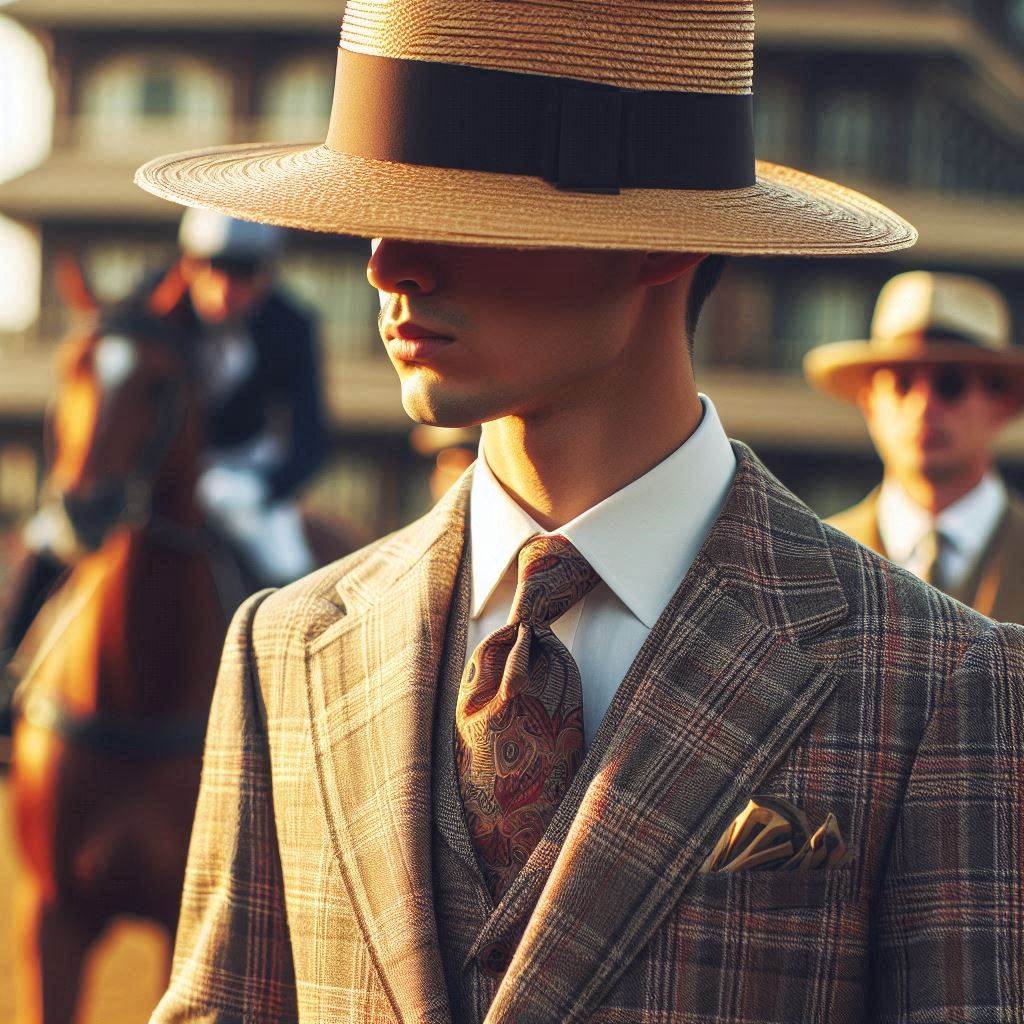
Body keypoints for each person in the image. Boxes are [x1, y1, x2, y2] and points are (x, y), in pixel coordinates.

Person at [136, 3, 1023, 1021]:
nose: (387, 265)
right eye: (377, 207)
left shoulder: (936, 682)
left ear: (658, 242)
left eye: (461, 201)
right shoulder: (285, 648)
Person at [805, 271, 1024, 619]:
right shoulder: (807, 565)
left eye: (950, 385)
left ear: (1003, 404)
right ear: (870, 404)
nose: (923, 407)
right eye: (902, 384)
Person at [150, 209, 329, 585]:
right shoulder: (153, 310)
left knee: (288, 565)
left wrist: (264, 488)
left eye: (243, 272)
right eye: (211, 267)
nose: (225, 288)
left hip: (245, 472)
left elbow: (311, 437)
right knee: (50, 538)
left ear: (266, 275)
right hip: (154, 471)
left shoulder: (292, 326)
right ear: (187, 265)